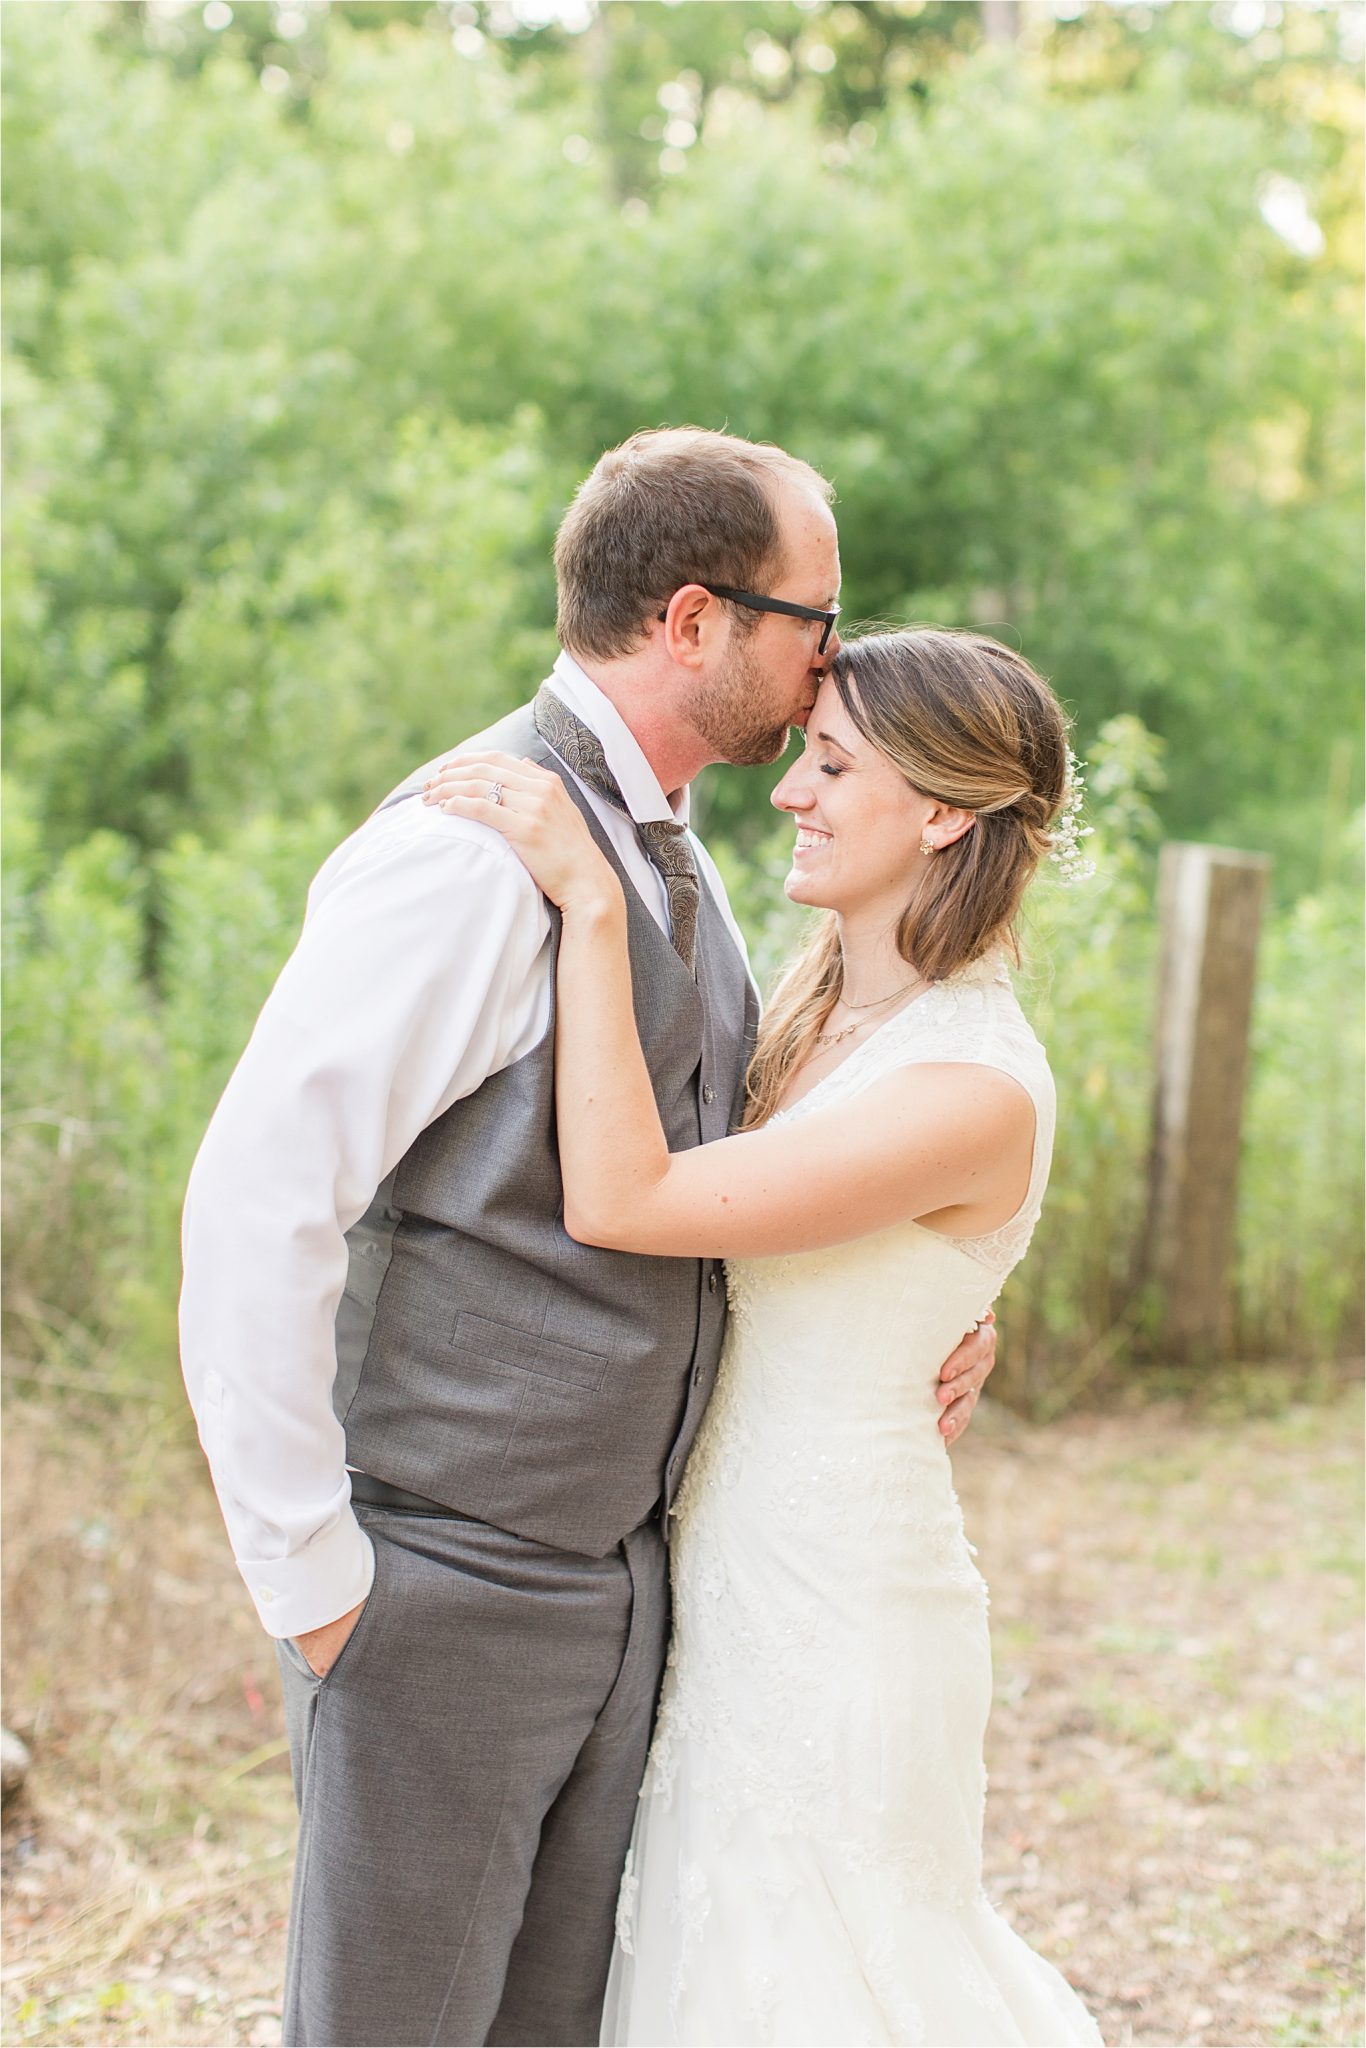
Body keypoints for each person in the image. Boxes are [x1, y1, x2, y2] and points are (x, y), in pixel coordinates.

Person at [178, 428, 997, 2048]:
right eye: (809, 616)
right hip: (439, 1581)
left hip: (621, 1587)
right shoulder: (469, 851)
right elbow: (257, 1201)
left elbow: (731, 1189)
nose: (830, 654)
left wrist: (917, 1316)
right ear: (692, 621)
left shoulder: (663, 857)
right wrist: (313, 1573)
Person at [422, 625, 1104, 2047]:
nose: (791, 790)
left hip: (841, 1607)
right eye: (802, 750)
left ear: (940, 812)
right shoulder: (807, 1009)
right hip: (721, 1579)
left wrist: (592, 904)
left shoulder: (971, 1079)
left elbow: (627, 1198)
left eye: (833, 761)